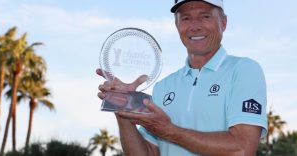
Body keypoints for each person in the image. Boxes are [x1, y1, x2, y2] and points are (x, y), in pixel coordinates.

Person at [97, 0, 267, 155]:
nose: (195, 26)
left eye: (205, 16)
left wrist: (170, 131)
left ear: (223, 22)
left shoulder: (243, 70)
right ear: (177, 25)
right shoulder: (163, 86)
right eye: (186, 18)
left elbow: (242, 149)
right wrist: (123, 109)